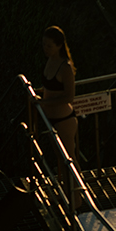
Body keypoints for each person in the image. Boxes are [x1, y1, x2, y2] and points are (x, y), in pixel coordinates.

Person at [38, 25, 78, 161]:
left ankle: (77, 183)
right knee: (59, 158)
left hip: (64, 120)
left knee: (69, 159)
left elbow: (69, 96)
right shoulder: (50, 60)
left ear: (59, 46)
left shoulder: (65, 67)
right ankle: (65, 183)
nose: (45, 48)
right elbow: (50, 88)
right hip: (49, 117)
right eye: (44, 44)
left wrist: (44, 102)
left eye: (49, 46)